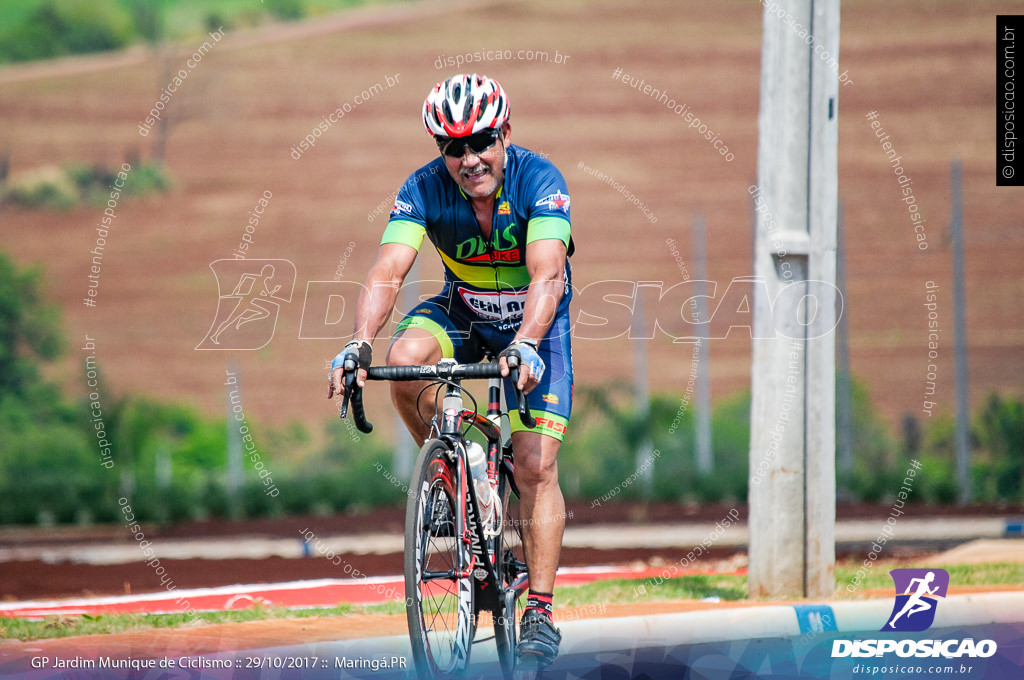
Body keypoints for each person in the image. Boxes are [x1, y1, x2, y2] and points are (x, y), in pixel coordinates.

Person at [328, 73, 574, 668]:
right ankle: (456, 467)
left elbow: (548, 275)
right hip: (462, 309)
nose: (469, 158)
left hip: (537, 325)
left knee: (537, 464)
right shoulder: (423, 188)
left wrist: (527, 342)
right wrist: (360, 340)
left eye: (482, 141)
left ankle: (537, 608)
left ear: (505, 134)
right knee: (402, 360)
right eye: (453, 147)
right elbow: (389, 269)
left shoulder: (540, 180)